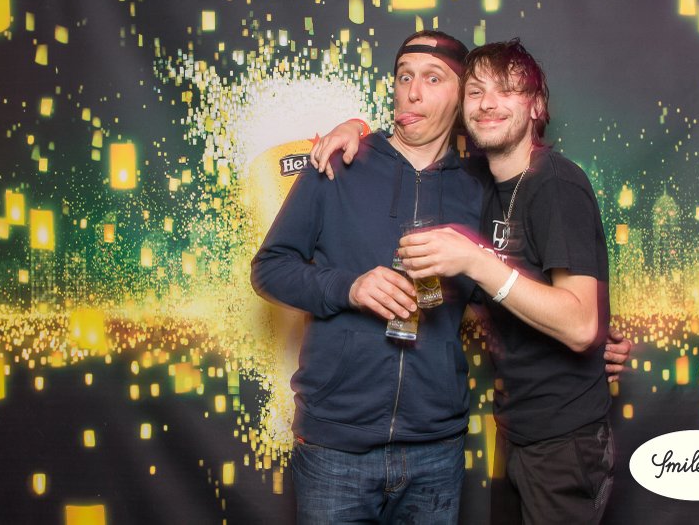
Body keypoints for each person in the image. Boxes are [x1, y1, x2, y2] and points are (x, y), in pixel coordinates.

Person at [311, 39, 626, 524]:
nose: (488, 104)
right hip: (519, 429)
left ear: (536, 106)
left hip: (566, 439)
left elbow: (580, 325)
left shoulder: (555, 184)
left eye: (508, 90)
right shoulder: (479, 184)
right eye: (476, 92)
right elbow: (413, 130)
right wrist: (356, 128)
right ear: (462, 109)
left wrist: (476, 261)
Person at [251, 31, 482, 524]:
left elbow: (501, 294)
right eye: (404, 76)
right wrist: (349, 288)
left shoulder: (478, 189)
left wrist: (588, 348)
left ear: (462, 95)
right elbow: (269, 268)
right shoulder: (338, 163)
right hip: (335, 450)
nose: (412, 92)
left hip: (435, 449)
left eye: (433, 79)